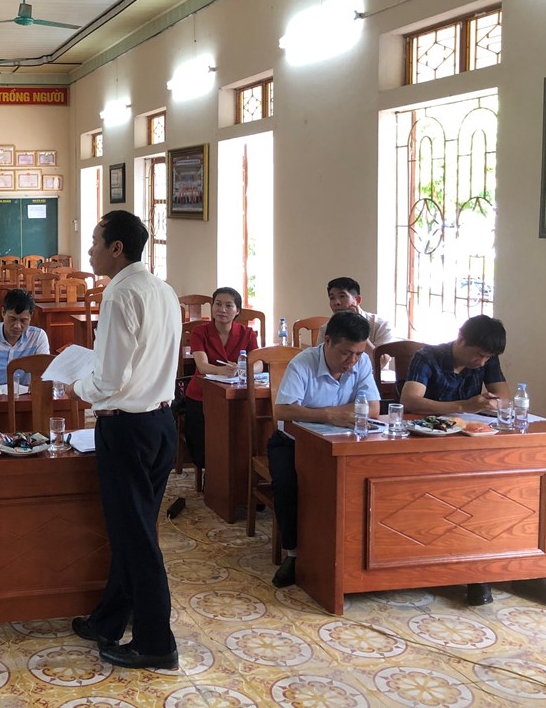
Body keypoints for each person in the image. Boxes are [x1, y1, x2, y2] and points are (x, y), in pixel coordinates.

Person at [64, 211, 182, 670]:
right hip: (161, 424)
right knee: (134, 530)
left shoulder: (119, 294)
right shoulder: (163, 289)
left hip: (127, 429)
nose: (89, 249)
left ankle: (156, 642)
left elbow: (109, 379)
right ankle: (108, 620)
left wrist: (77, 385)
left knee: (136, 539)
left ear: (116, 248)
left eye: (95, 241)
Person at [401, 315, 546, 607]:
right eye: (478, 355)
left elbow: (503, 397)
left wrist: (491, 403)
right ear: (461, 339)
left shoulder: (486, 360)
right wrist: (462, 405)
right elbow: (410, 400)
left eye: (487, 358)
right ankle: (477, 575)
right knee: (475, 496)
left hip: (474, 443)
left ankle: (528, 571)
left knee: (517, 490)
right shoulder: (427, 357)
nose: (481, 362)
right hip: (430, 446)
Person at [270, 311, 379, 589]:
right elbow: (283, 410)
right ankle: (294, 554)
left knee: (365, 484)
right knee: (288, 486)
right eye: (346, 353)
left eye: (358, 354)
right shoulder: (303, 363)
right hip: (293, 442)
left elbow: (373, 408)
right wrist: (330, 415)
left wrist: (318, 413)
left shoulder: (362, 362)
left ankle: (352, 554)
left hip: (342, 443)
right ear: (327, 341)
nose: (352, 361)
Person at [182, 286, 259, 470]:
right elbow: (202, 366)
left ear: (237, 310)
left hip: (235, 395)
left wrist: (242, 370)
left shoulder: (247, 333)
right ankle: (211, 473)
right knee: (202, 446)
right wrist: (223, 371)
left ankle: (232, 473)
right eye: (217, 304)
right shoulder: (200, 332)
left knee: (239, 438)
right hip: (201, 395)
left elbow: (258, 364)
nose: (222, 310)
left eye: (228, 305)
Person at [318, 277, 396, 352]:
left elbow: (381, 360)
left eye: (342, 296)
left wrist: (359, 329)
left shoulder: (381, 326)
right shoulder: (326, 328)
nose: (336, 302)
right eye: (332, 298)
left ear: (357, 300)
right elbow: (318, 357)